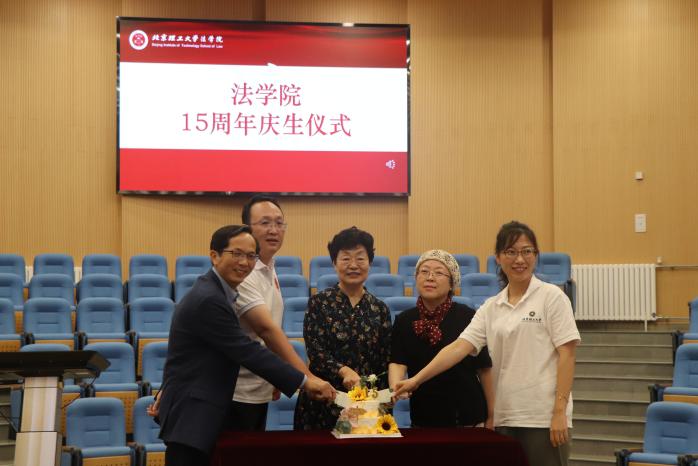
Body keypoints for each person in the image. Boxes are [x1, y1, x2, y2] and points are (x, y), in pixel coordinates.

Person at [394, 221, 580, 466]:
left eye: (527, 251)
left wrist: (559, 412)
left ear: (536, 256)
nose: (519, 259)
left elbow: (567, 355)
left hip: (542, 417)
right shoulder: (491, 306)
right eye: (511, 252)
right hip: (505, 418)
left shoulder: (552, 296)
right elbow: (458, 347)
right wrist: (416, 380)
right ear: (498, 258)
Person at [154, 225, 335, 466]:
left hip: (197, 414)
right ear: (215, 256)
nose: (244, 262)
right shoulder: (209, 299)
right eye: (236, 254)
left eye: (251, 256)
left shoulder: (219, 292)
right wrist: (304, 381)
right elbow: (247, 350)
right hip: (193, 418)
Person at [294, 227, 392, 430]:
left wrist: (384, 401)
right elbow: (316, 352)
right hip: (323, 400)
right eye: (346, 258)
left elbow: (384, 360)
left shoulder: (380, 309)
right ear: (334, 263)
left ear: (370, 263)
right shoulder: (319, 303)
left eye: (360, 258)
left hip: (365, 404)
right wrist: (343, 371)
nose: (353, 265)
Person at [389, 249, 494, 428]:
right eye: (424, 271)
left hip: (466, 417)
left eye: (438, 273)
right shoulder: (404, 320)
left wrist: (492, 415)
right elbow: (398, 362)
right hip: (423, 416)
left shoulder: (467, 316)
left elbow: (484, 369)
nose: (430, 278)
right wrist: (396, 387)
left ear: (452, 283)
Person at [227, 195, 305, 431]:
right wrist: (305, 378)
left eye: (279, 223)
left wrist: (276, 375)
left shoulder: (269, 267)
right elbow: (266, 330)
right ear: (247, 229)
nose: (274, 230)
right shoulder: (244, 273)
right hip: (235, 392)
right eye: (265, 223)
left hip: (260, 386)